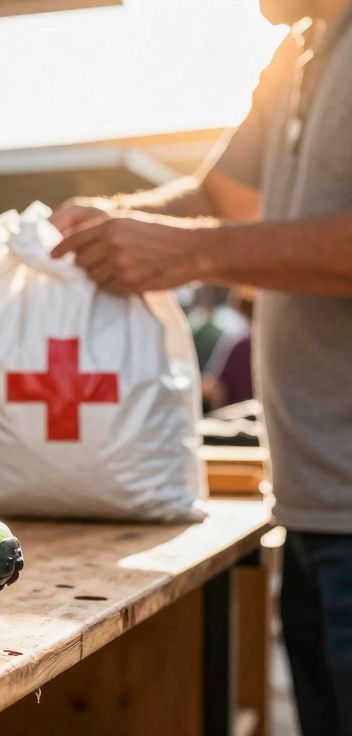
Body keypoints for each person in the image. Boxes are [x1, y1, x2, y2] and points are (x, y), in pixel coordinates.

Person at [50, 1, 352, 732]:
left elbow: (208, 232)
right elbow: (220, 197)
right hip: (310, 508)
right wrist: (115, 219)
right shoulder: (298, 52)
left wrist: (189, 252)